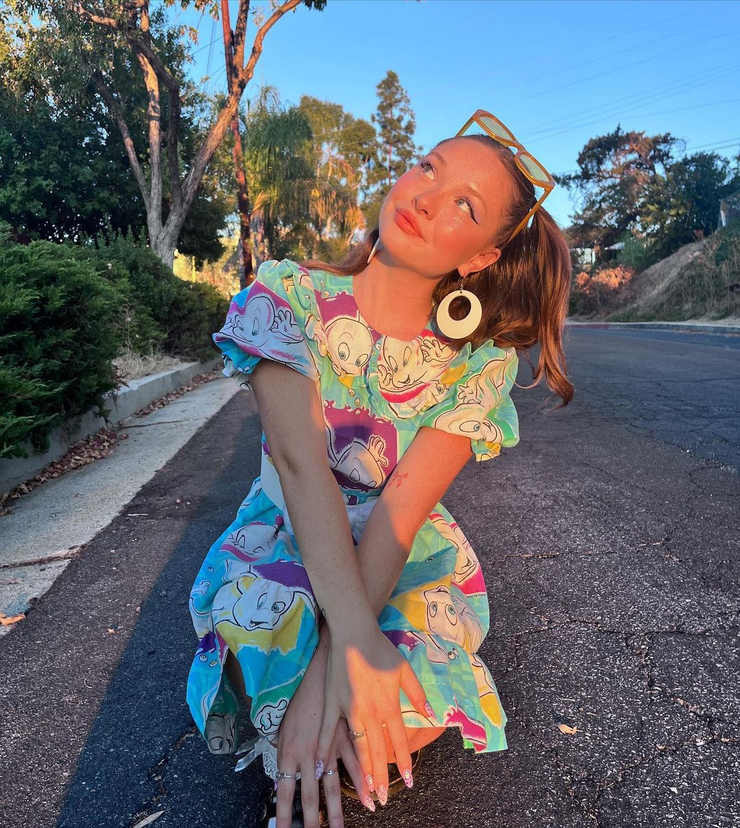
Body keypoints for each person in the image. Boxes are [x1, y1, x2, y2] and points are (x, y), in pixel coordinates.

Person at [186, 117, 574, 828]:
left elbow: (401, 511)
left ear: (481, 257)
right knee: (265, 620)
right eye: (429, 167)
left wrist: (335, 666)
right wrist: (354, 650)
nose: (426, 197)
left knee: (404, 684)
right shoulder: (287, 298)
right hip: (290, 524)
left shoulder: (475, 365)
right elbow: (302, 468)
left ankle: (310, 738)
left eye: (464, 205)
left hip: (397, 551)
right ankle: (319, 742)